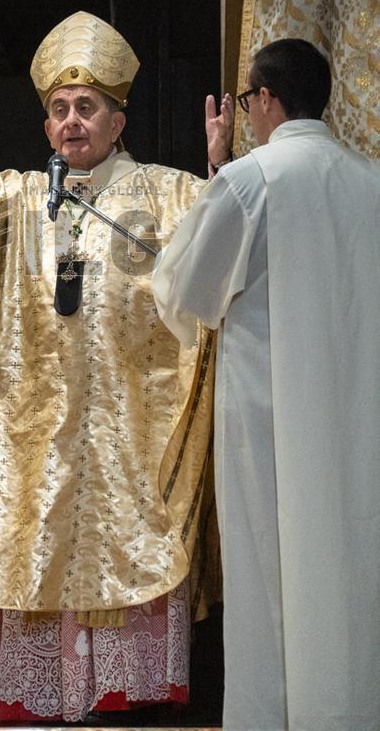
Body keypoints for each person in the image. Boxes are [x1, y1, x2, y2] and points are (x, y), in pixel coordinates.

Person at [0, 10, 233, 723]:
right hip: (42, 438)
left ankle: (130, 702)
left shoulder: (168, 193)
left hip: (132, 437)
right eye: (58, 110)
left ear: (118, 119)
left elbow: (220, 263)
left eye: (86, 108)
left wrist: (222, 176)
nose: (71, 122)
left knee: (130, 656)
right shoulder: (20, 197)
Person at [152, 38, 380, 731]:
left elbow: (189, 289)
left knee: (271, 571)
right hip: (359, 416)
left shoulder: (254, 180)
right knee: (352, 562)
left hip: (271, 421)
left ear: (267, 98)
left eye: (248, 100)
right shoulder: (370, 180)